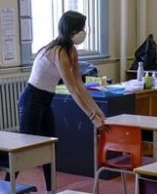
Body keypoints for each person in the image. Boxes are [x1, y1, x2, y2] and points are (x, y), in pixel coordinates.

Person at [18, 10, 106, 140]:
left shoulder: (72, 50)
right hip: (32, 98)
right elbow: (72, 89)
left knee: (49, 143)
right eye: (81, 28)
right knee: (29, 145)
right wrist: (92, 116)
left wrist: (96, 110)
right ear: (71, 30)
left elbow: (79, 85)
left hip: (46, 99)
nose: (83, 32)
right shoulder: (59, 53)